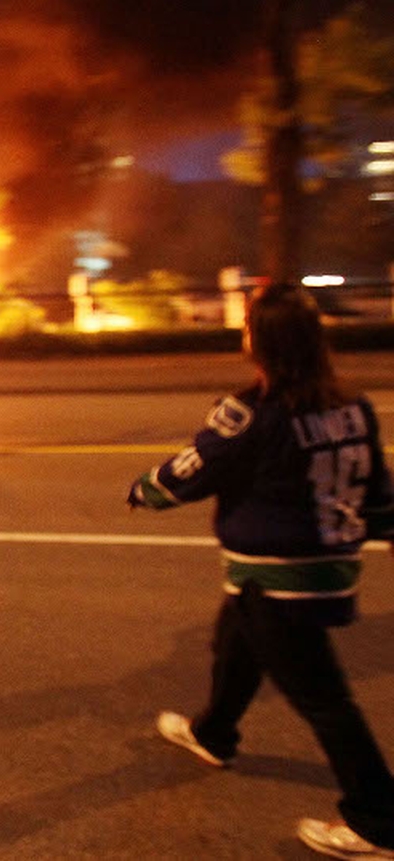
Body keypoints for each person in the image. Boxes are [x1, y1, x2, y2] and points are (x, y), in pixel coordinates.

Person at [127, 283, 394, 859]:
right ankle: (213, 733)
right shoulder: (352, 406)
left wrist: (145, 490)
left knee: (325, 701)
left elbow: (196, 468)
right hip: (327, 567)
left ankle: (378, 821)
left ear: (260, 343)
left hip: (279, 575)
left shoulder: (252, 411)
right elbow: (378, 487)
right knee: (235, 642)